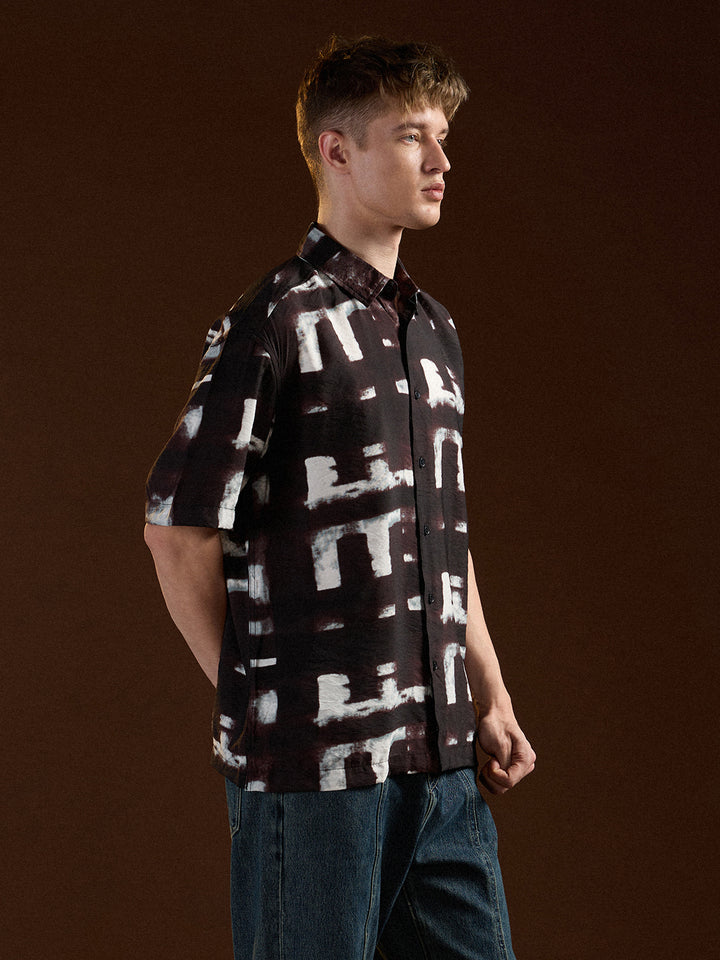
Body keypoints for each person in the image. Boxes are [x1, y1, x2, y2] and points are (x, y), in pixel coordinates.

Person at [144, 35, 535, 960]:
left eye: (443, 137)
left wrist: (489, 692)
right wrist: (260, 701)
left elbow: (441, 535)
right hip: (315, 775)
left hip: (442, 767)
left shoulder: (434, 332)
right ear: (337, 150)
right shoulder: (274, 322)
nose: (441, 161)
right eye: (412, 136)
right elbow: (177, 528)